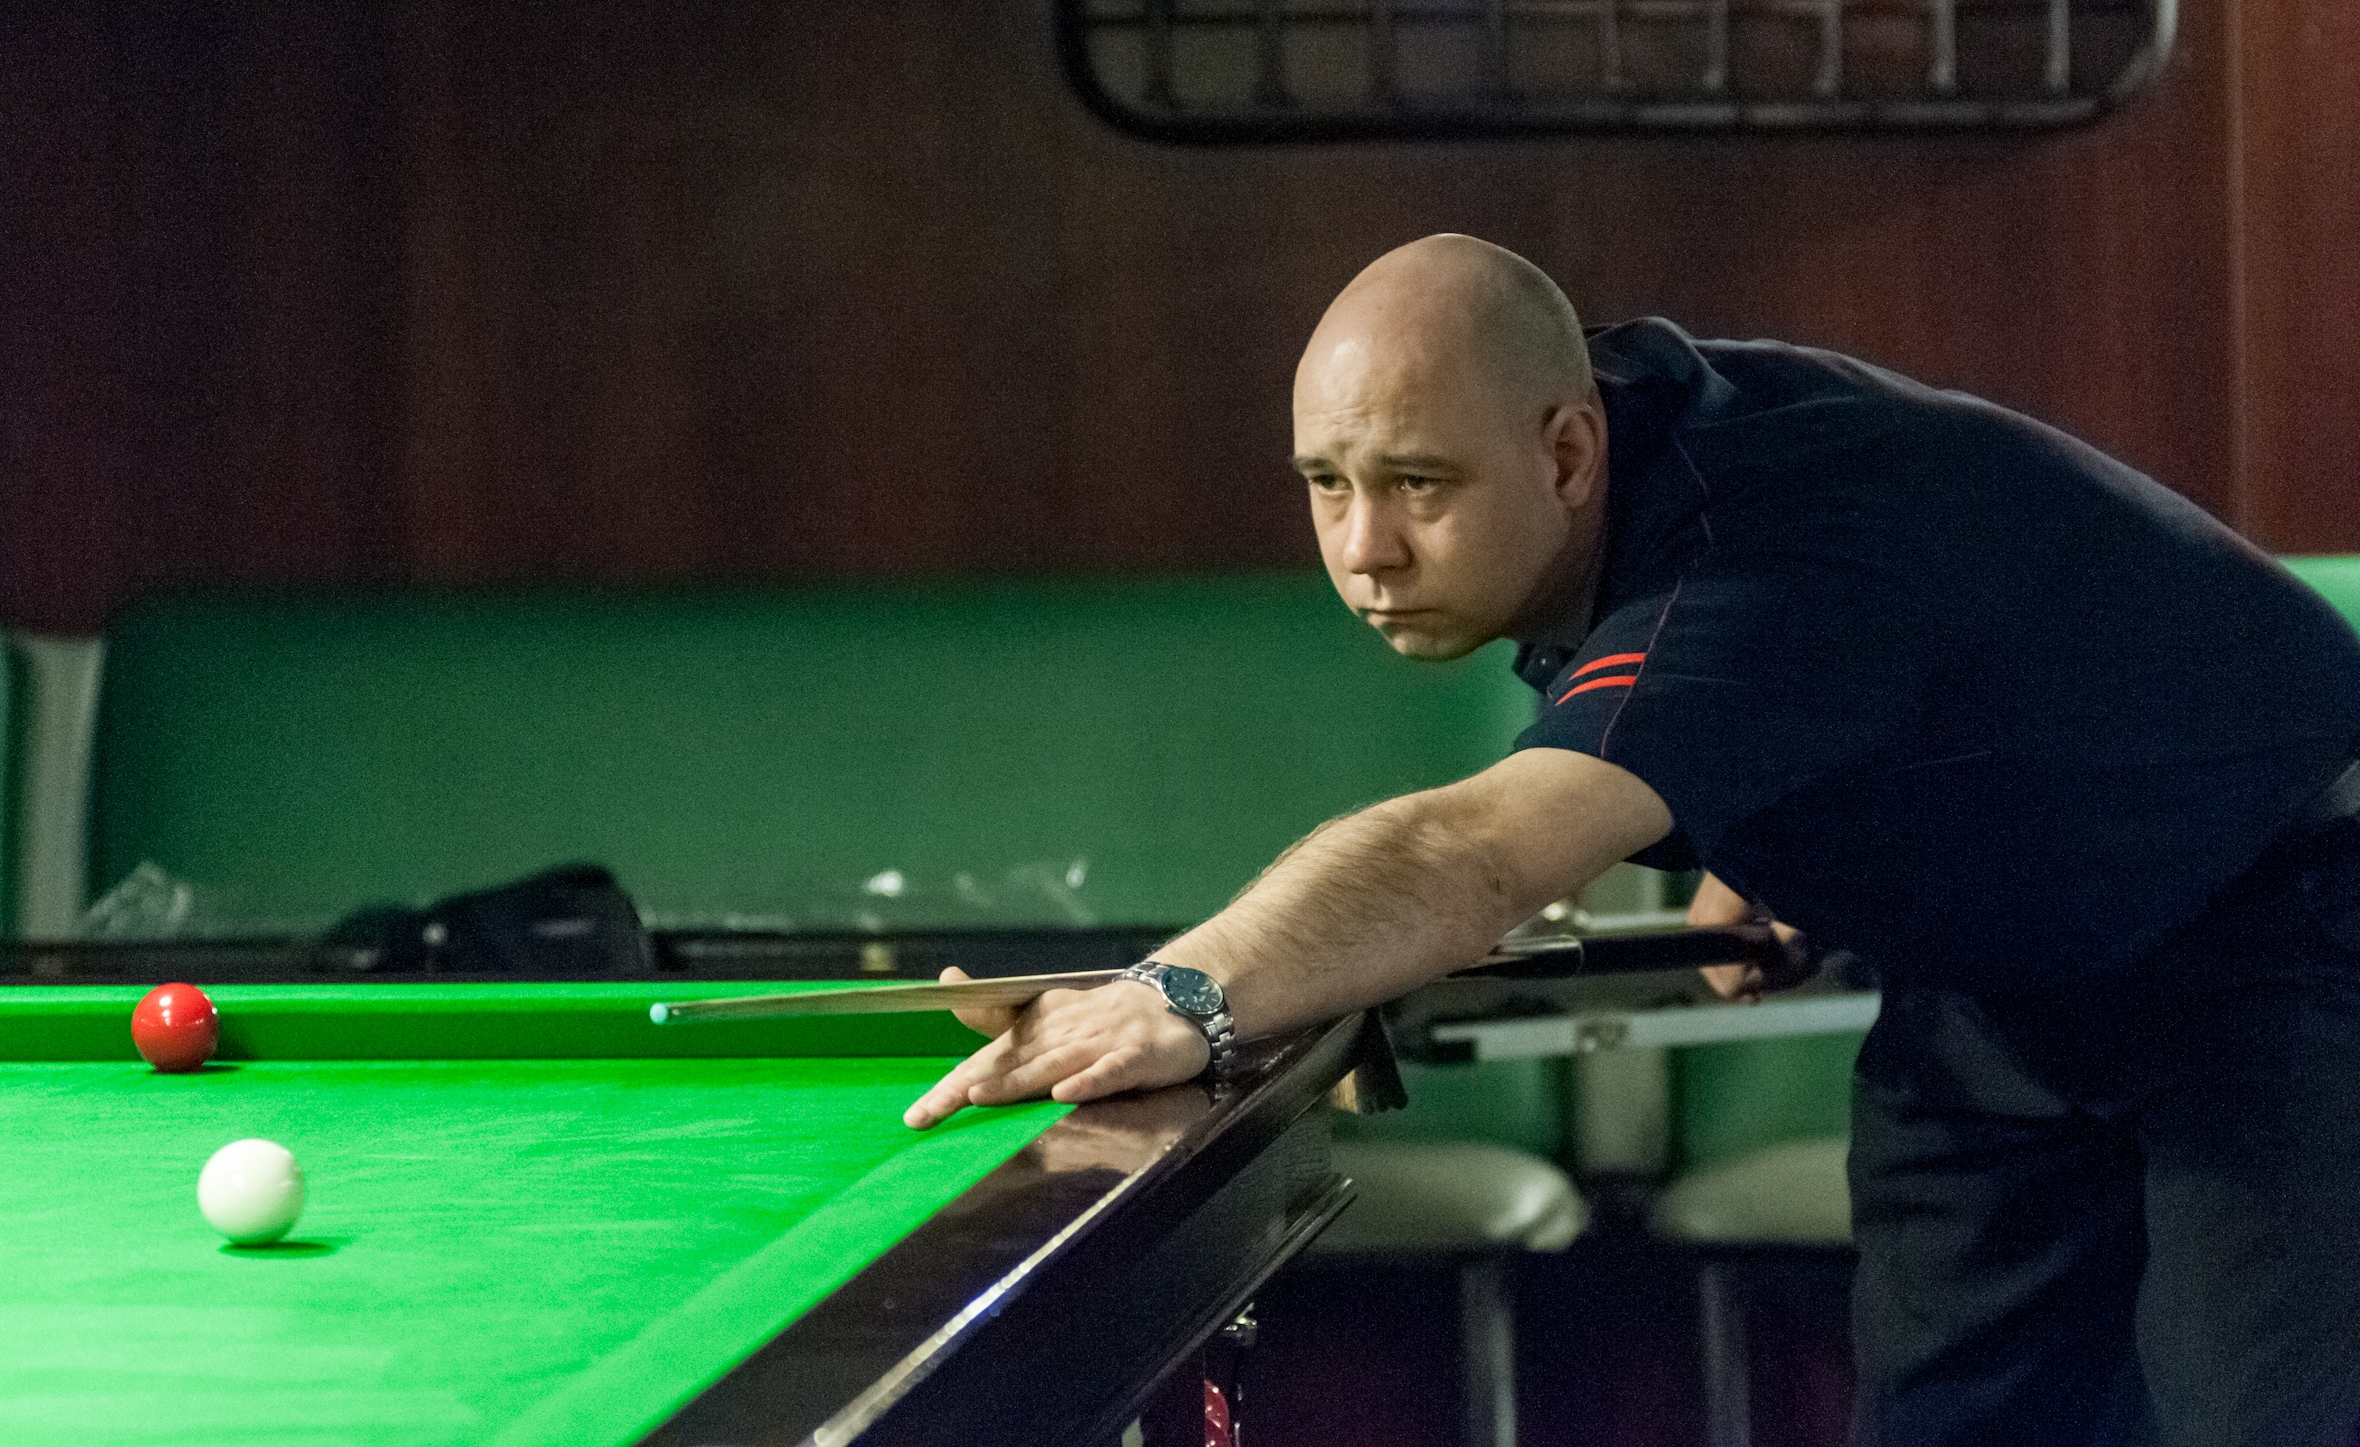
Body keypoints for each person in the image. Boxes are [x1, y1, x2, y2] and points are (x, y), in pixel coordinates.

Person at [903, 233, 2360, 1446]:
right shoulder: (1612, 443)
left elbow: (1471, 854)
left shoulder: (1747, 533)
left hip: (2288, 928)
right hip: (2001, 974)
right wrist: (1773, 826)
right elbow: (1889, 660)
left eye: (1417, 484)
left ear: (1566, 451)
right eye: (1327, 483)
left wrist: (1180, 992)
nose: (1364, 548)